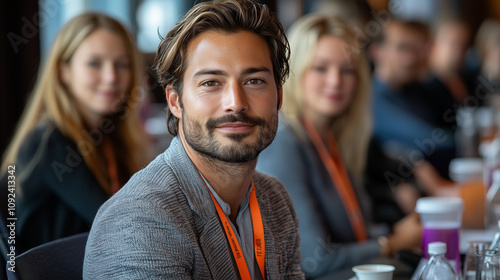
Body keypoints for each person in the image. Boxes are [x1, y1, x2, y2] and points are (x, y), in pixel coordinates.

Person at [84, 1, 304, 279]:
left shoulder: (275, 200)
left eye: (254, 81)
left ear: (279, 97)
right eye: (211, 82)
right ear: (175, 102)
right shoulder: (140, 220)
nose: (235, 103)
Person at [256, 14, 421, 279]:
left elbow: (354, 232)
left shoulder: (332, 137)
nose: (335, 81)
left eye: (347, 70)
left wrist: (397, 234)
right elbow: (313, 260)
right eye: (321, 68)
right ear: (295, 71)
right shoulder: (283, 143)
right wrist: (391, 243)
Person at [0, 13, 150, 253]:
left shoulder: (106, 139)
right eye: (94, 63)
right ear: (63, 71)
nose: (112, 77)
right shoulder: (50, 141)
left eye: (122, 64)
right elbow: (117, 223)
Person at [371, 19, 457, 178]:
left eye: (414, 50)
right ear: (377, 52)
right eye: (402, 48)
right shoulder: (372, 99)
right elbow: (429, 139)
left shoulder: (419, 91)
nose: (410, 58)